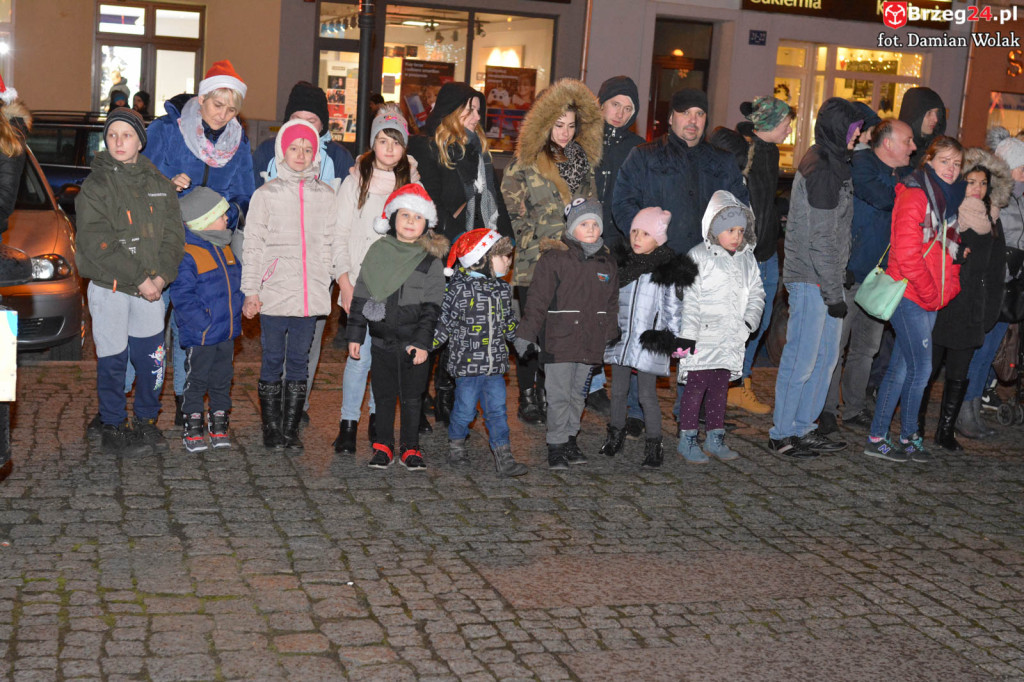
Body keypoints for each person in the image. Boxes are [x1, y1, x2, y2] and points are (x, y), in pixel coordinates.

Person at [144, 60, 254, 424]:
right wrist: (165, 184)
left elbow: (244, 194)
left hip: (211, 247)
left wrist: (226, 217)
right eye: (217, 104)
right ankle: (141, 403)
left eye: (232, 108)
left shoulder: (238, 143)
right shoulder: (166, 130)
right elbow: (139, 175)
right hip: (163, 238)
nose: (223, 115)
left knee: (191, 326)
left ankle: (183, 400)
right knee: (151, 321)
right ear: (202, 97)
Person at [75, 108, 185, 455]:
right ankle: (112, 424)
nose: (119, 141)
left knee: (151, 357)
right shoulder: (96, 185)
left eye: (127, 135)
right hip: (112, 288)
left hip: (151, 288)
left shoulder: (158, 184)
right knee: (112, 359)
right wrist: (141, 278)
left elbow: (173, 237)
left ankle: (146, 422)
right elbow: (96, 241)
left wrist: (162, 276)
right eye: (112, 135)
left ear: (140, 140)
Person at [407, 82, 513, 426]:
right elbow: (430, 201)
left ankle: (447, 399)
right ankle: (418, 397)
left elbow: (492, 198)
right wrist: (456, 234)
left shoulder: (480, 152)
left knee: (463, 329)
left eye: (479, 110)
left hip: (476, 254)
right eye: (469, 110)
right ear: (452, 112)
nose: (476, 117)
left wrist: (505, 240)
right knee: (433, 326)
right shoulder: (428, 147)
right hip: (441, 251)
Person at [500, 78, 603, 425]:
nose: (565, 132)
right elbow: (514, 216)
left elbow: (592, 211)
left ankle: (550, 392)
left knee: (560, 334)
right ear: (545, 124)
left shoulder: (582, 164)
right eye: (559, 125)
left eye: (572, 126)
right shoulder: (524, 164)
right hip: (536, 264)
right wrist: (540, 243)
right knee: (532, 329)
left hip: (573, 266)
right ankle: (527, 395)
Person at [252, 81, 356, 423]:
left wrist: (334, 271)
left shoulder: (340, 159)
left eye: (312, 119)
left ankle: (299, 407)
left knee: (305, 346)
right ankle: (273, 409)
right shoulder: (268, 151)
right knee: (274, 348)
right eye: (297, 117)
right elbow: (254, 215)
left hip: (315, 268)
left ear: (323, 123)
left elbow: (343, 216)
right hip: (277, 270)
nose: (305, 125)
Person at [769, 98, 863, 460]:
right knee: (802, 359)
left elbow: (834, 232)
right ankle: (783, 432)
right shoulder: (822, 167)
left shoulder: (834, 162)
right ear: (840, 129)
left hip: (825, 276)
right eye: (853, 130)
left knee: (824, 358)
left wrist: (840, 272)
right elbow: (820, 236)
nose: (856, 137)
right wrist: (831, 287)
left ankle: (804, 427)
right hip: (812, 279)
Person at [242, 120, 341, 451]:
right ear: (283, 151)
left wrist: (326, 275)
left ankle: (290, 427)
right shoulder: (266, 194)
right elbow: (253, 244)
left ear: (316, 154)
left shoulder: (327, 196)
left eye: (308, 149)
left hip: (309, 293)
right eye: (295, 148)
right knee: (272, 358)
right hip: (274, 292)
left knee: (299, 360)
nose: (301, 154)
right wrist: (251, 291)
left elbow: (332, 241)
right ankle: (271, 427)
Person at [865, 136, 965, 464]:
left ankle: (878, 437)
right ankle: (908, 436)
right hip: (908, 292)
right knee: (921, 369)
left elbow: (948, 256)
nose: (951, 169)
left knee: (901, 368)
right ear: (929, 161)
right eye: (945, 161)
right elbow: (906, 255)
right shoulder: (915, 194)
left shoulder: (946, 201)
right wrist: (930, 293)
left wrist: (944, 293)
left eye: (957, 163)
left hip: (928, 295)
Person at [821, 119, 917, 433]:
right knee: (835, 347)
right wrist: (908, 193)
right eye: (908, 141)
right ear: (887, 143)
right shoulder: (860, 164)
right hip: (850, 272)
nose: (913, 147)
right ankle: (825, 410)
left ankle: (854, 409)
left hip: (882, 277)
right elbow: (882, 197)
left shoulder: (903, 173)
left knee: (866, 348)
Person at [332, 104, 416, 455]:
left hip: (395, 290)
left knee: (385, 359)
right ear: (373, 144)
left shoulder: (411, 184)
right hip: (360, 286)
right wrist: (344, 281)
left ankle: (376, 419)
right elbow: (339, 235)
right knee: (358, 358)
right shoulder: (355, 182)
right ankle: (348, 424)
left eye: (396, 142)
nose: (389, 149)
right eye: (383, 141)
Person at [346, 184, 449, 470]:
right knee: (383, 397)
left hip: (412, 345)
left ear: (426, 224)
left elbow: (432, 307)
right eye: (405, 215)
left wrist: (422, 342)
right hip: (380, 342)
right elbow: (361, 294)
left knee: (412, 398)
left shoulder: (430, 261)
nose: (410, 222)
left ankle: (410, 447)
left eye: (418, 218)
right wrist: (355, 333)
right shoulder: (377, 251)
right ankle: (382, 446)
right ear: (393, 219)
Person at [514, 197, 619, 470]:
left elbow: (611, 303)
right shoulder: (555, 259)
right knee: (558, 394)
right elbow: (537, 299)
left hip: (589, 342)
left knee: (577, 395)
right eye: (584, 224)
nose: (591, 229)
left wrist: (611, 331)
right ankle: (556, 444)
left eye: (595, 224)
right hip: (559, 341)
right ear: (571, 228)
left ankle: (571, 438)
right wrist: (526, 334)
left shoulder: (606, 263)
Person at [924, 146, 1009, 450]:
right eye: (971, 181)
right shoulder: (950, 211)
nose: (977, 188)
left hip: (973, 306)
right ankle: (916, 427)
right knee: (929, 369)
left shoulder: (993, 218)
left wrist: (991, 306)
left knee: (959, 372)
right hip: (946, 301)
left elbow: (997, 267)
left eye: (983, 183)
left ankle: (945, 431)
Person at [601, 207, 696, 468]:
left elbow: (673, 309)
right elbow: (611, 301)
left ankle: (655, 444)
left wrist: (674, 339)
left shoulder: (665, 272)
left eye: (645, 233)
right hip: (621, 338)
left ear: (658, 238)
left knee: (646, 395)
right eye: (634, 232)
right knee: (618, 391)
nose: (637, 238)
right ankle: (615, 435)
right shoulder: (623, 267)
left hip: (649, 341)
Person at [675, 191, 765, 463]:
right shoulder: (698, 257)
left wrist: (748, 322)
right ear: (714, 228)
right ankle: (687, 438)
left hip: (731, 338)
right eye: (730, 230)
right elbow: (690, 301)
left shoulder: (747, 259)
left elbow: (757, 293)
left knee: (719, 391)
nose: (737, 236)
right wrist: (687, 339)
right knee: (695, 390)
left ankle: (715, 437)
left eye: (740, 230)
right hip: (702, 338)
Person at [433, 229, 528, 477]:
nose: (509, 261)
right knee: (464, 410)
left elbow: (509, 323)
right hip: (467, 366)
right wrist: (426, 345)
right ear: (482, 259)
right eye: (504, 256)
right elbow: (445, 323)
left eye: (509, 256)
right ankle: (456, 443)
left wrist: (521, 341)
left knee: (497, 410)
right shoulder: (459, 290)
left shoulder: (503, 291)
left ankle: (504, 456)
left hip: (495, 366)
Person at [613, 88, 749, 257]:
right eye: (685, 112)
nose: (693, 120)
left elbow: (740, 209)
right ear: (670, 118)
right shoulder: (643, 157)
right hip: (658, 265)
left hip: (708, 268)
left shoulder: (724, 161)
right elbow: (623, 203)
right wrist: (645, 240)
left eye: (700, 113)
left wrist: (724, 249)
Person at [727, 95, 794, 415]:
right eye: (785, 123)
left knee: (760, 321)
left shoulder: (769, 152)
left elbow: (765, 204)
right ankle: (732, 384)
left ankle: (740, 380)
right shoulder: (751, 153)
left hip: (766, 254)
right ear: (768, 125)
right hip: (750, 256)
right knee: (746, 322)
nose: (789, 128)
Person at [960, 127, 1024, 437]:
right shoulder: (1001, 199)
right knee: (980, 350)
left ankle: (971, 407)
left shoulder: (1017, 198)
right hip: (993, 284)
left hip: (1009, 286)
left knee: (988, 350)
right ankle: (965, 408)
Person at [170, 187, 243, 453]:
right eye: (222, 215)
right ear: (204, 220)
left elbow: (235, 286)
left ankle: (220, 422)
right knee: (197, 379)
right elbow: (182, 296)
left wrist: (241, 306)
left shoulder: (225, 248)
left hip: (226, 332)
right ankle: (192, 424)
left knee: (223, 378)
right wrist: (204, 323)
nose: (227, 219)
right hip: (203, 334)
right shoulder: (189, 253)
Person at [898, 87, 946, 171]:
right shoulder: (895, 150)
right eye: (929, 113)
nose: (935, 119)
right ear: (914, 115)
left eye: (937, 113)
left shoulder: (940, 149)